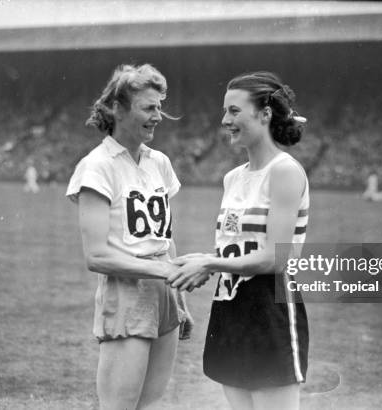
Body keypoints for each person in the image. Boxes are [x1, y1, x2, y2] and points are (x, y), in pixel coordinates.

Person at [168, 72, 309, 410]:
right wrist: (204, 259)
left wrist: (212, 263)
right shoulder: (232, 178)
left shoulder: (285, 171)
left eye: (233, 111)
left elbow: (276, 259)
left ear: (265, 114)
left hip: (269, 306)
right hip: (230, 305)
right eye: (225, 111)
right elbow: (238, 246)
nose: (224, 120)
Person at [65, 63, 191, 410]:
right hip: (127, 293)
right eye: (149, 107)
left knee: (150, 404)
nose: (158, 116)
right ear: (118, 109)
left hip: (164, 293)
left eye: (159, 107)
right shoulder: (97, 166)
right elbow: (97, 257)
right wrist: (164, 272)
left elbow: (165, 238)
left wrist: (179, 298)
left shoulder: (160, 162)